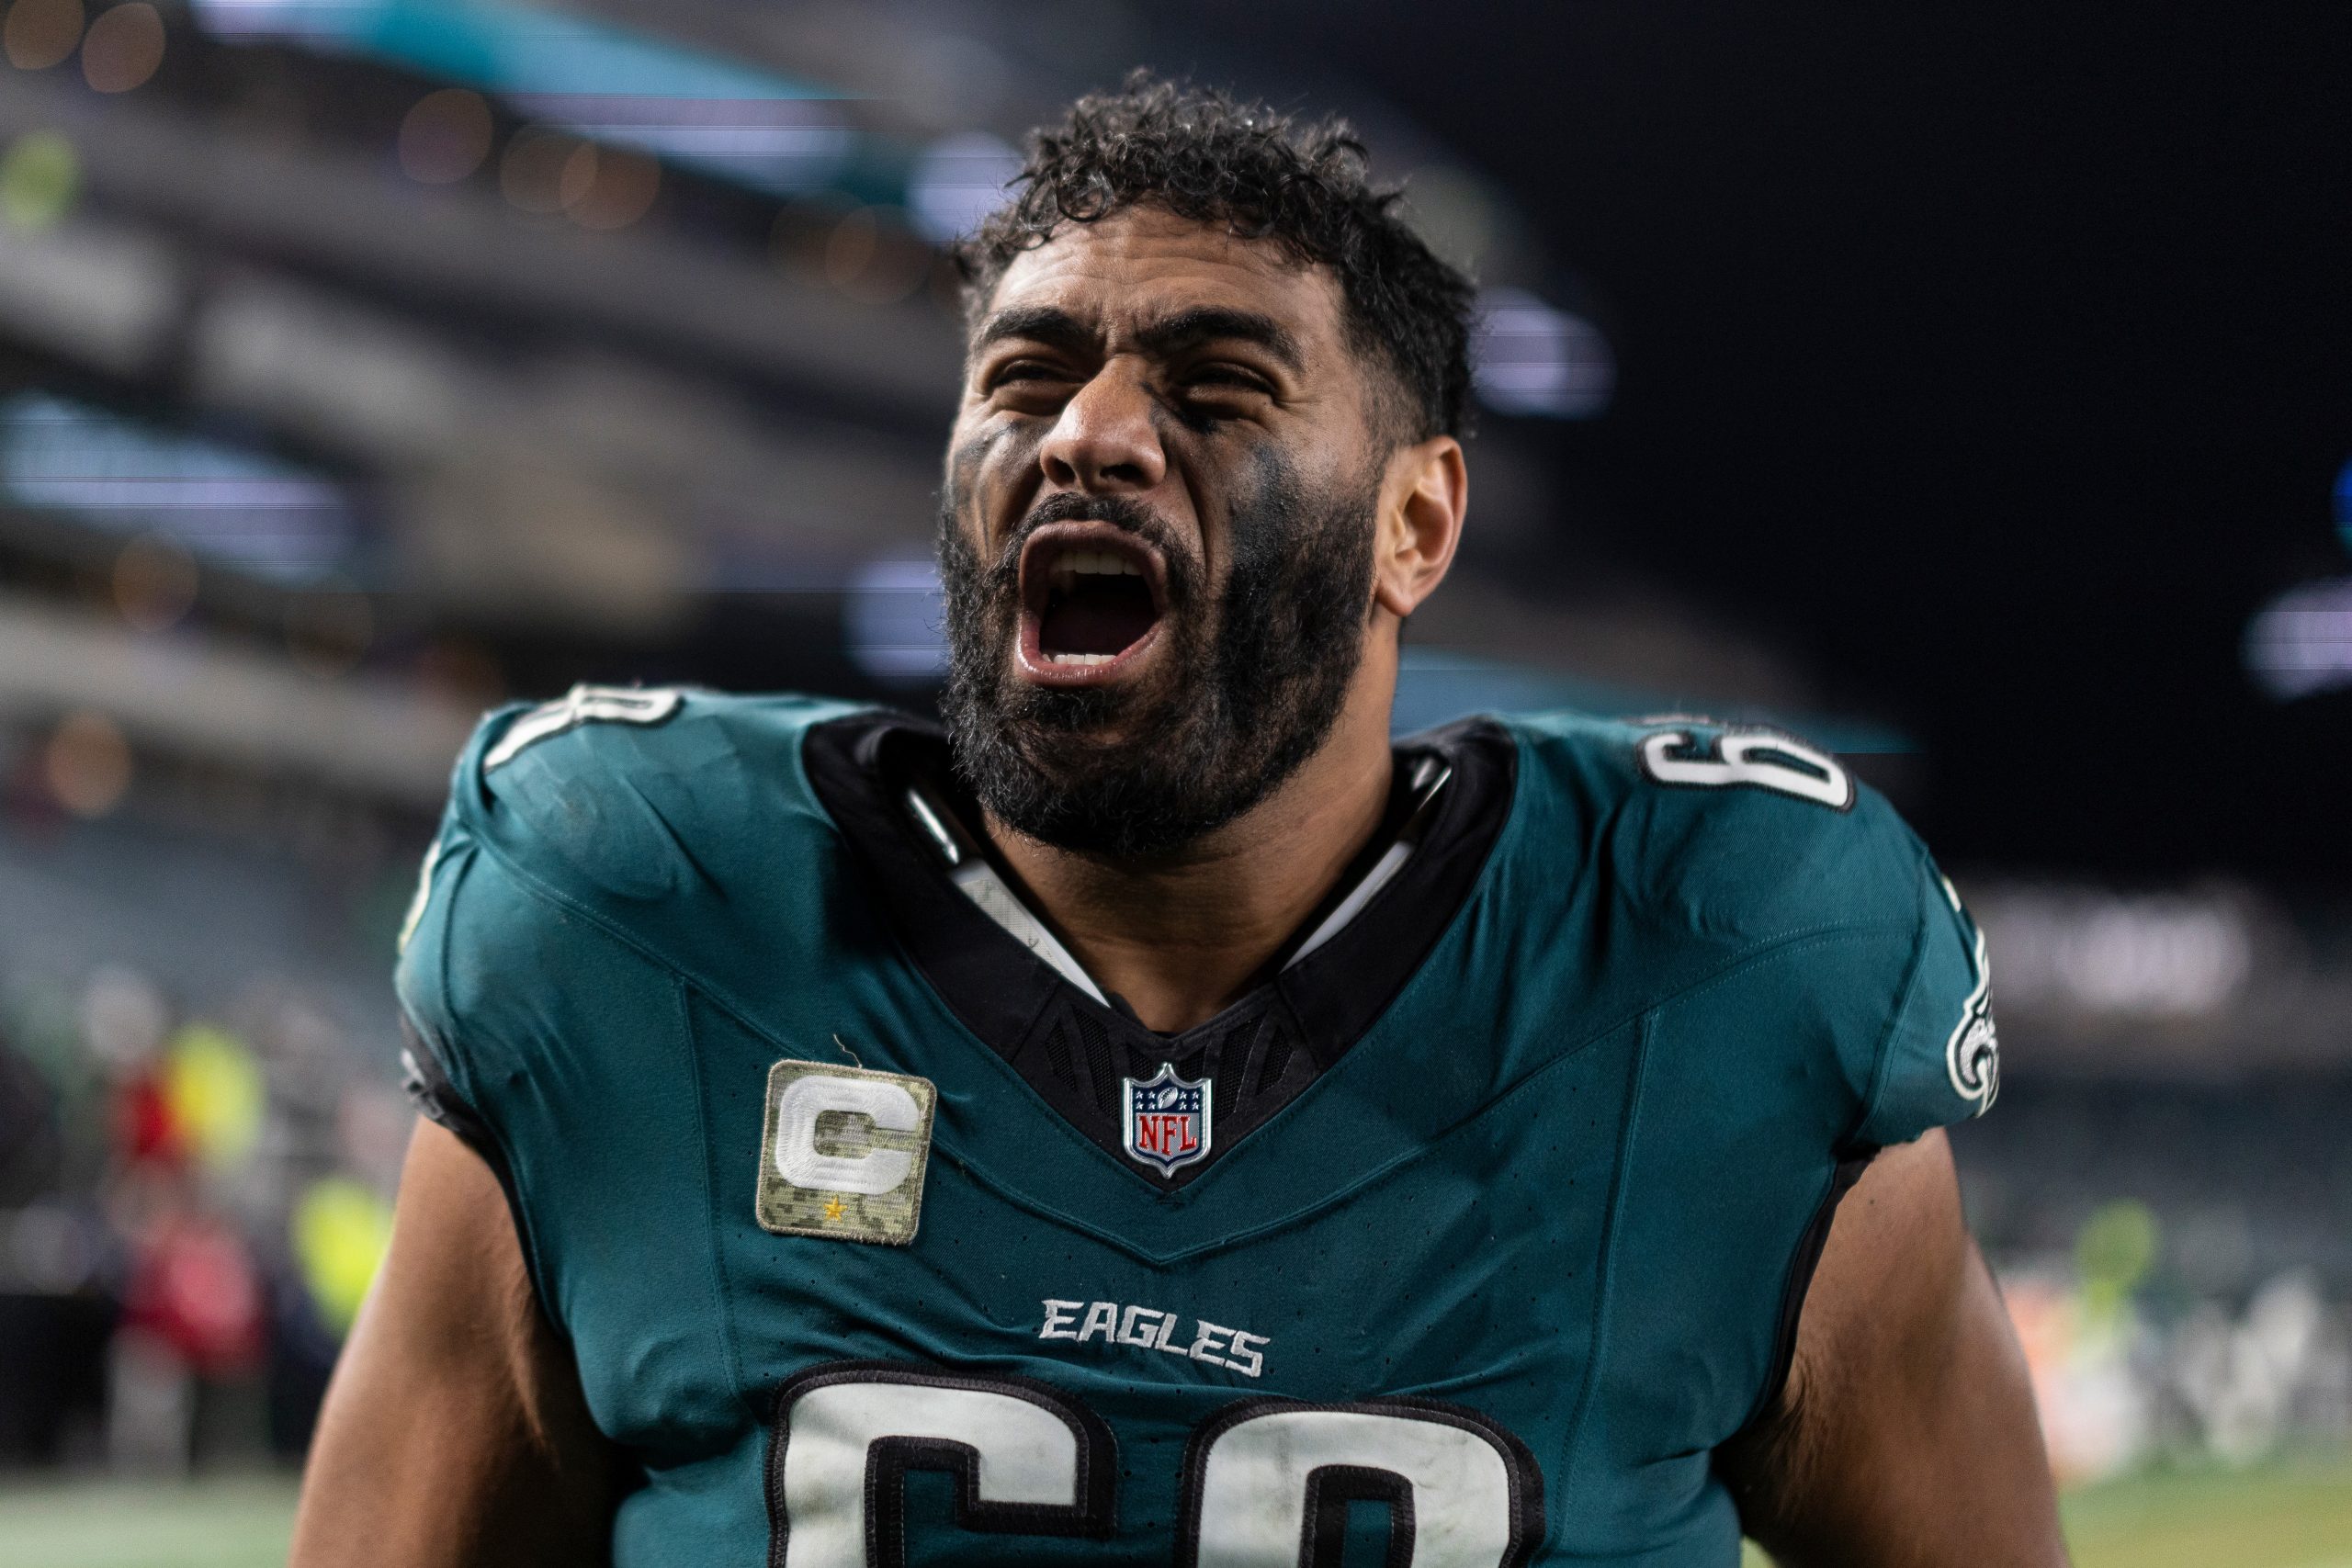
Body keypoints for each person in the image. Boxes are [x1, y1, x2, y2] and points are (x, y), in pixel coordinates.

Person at [292, 74, 2065, 1568]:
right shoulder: (636, 904)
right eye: (1024, 376)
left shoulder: (1721, 956)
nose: (1091, 435)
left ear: (1415, 526)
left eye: (1217, 386)